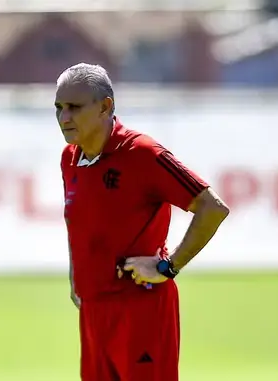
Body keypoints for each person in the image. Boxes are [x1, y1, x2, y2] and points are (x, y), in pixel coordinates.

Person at [56, 63, 229, 381]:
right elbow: (80, 224)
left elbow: (212, 208)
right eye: (59, 107)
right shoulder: (70, 158)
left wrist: (168, 267)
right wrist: (75, 278)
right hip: (94, 313)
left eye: (74, 107)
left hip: (141, 309)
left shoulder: (143, 153)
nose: (64, 117)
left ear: (105, 106)